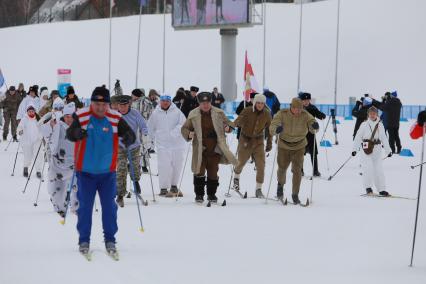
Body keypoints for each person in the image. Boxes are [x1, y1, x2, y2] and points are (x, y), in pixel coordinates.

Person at [66, 86, 135, 255]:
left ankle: (110, 239)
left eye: (104, 104)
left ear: (108, 104)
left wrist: (128, 137)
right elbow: (69, 133)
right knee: (85, 208)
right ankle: (84, 240)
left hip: (107, 173)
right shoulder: (81, 116)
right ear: (92, 103)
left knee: (110, 208)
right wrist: (76, 132)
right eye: (97, 104)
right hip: (85, 172)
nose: (101, 108)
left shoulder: (115, 117)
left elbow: (131, 135)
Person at [181, 92, 237, 203]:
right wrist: (188, 134)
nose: (205, 105)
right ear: (199, 103)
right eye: (203, 103)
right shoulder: (193, 114)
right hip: (200, 149)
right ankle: (199, 195)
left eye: (207, 103)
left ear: (210, 102)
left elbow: (230, 124)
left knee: (213, 173)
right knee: (199, 172)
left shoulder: (219, 113)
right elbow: (184, 128)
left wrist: (228, 128)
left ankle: (212, 195)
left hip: (215, 149)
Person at [269, 98, 318, 204]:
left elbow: (312, 124)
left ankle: (295, 194)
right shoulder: (282, 113)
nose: (298, 111)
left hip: (299, 146)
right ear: (291, 107)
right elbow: (273, 124)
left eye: (300, 109)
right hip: (284, 145)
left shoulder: (305, 114)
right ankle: (280, 187)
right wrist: (276, 129)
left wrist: (315, 127)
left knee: (297, 171)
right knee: (282, 168)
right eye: (296, 109)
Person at [39, 102, 78, 217]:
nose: (69, 119)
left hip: (74, 165)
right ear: (63, 115)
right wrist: (50, 125)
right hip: (58, 165)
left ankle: (76, 208)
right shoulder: (57, 125)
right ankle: (59, 209)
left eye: (71, 116)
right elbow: (42, 130)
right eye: (67, 116)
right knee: (57, 197)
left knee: (79, 190)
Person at [232, 94, 272, 198]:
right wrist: (231, 127)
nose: (260, 105)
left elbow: (270, 129)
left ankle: (258, 189)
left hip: (258, 142)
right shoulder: (247, 110)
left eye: (262, 103)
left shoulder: (267, 114)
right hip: (245, 140)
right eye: (258, 103)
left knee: (261, 165)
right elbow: (238, 121)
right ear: (254, 103)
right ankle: (236, 177)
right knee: (241, 162)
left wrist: (269, 142)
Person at [148, 94, 187, 197]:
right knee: (163, 166)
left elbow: (183, 123)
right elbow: (150, 128)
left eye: (167, 101)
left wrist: (175, 132)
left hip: (177, 144)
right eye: (163, 101)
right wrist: (150, 142)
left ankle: (174, 186)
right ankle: (163, 188)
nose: (165, 102)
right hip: (162, 145)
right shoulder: (155, 113)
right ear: (160, 102)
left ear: (170, 102)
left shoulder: (177, 112)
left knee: (177, 166)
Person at [115, 95, 149, 208]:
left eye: (125, 105)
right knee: (121, 170)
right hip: (120, 147)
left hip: (134, 146)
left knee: (135, 167)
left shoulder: (135, 113)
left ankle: (135, 181)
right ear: (118, 106)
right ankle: (120, 194)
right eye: (120, 105)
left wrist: (145, 134)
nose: (122, 108)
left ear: (128, 105)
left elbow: (143, 125)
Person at [352, 106, 392, 196]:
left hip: (377, 150)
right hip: (366, 150)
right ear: (368, 114)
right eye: (371, 113)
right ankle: (368, 187)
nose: (372, 115)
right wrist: (354, 149)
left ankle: (381, 189)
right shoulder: (364, 124)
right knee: (368, 168)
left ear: (377, 114)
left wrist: (388, 150)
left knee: (379, 170)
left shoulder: (380, 125)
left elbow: (384, 138)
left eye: (374, 113)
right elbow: (358, 137)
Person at [299, 92, 326, 176]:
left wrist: (322, 115)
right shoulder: (298, 108)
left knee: (314, 152)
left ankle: (315, 170)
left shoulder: (312, 108)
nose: (306, 102)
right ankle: (300, 170)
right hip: (300, 133)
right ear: (301, 100)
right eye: (304, 100)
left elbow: (320, 115)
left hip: (311, 133)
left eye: (308, 100)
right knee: (300, 152)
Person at [17, 104, 43, 178]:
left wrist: (41, 136)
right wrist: (20, 131)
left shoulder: (38, 119)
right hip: (27, 140)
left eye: (32, 111)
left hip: (37, 140)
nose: (31, 112)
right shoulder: (24, 119)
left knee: (38, 156)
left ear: (34, 111)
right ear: (27, 112)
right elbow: (20, 127)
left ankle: (38, 171)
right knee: (27, 156)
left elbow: (42, 128)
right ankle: (25, 168)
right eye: (29, 111)